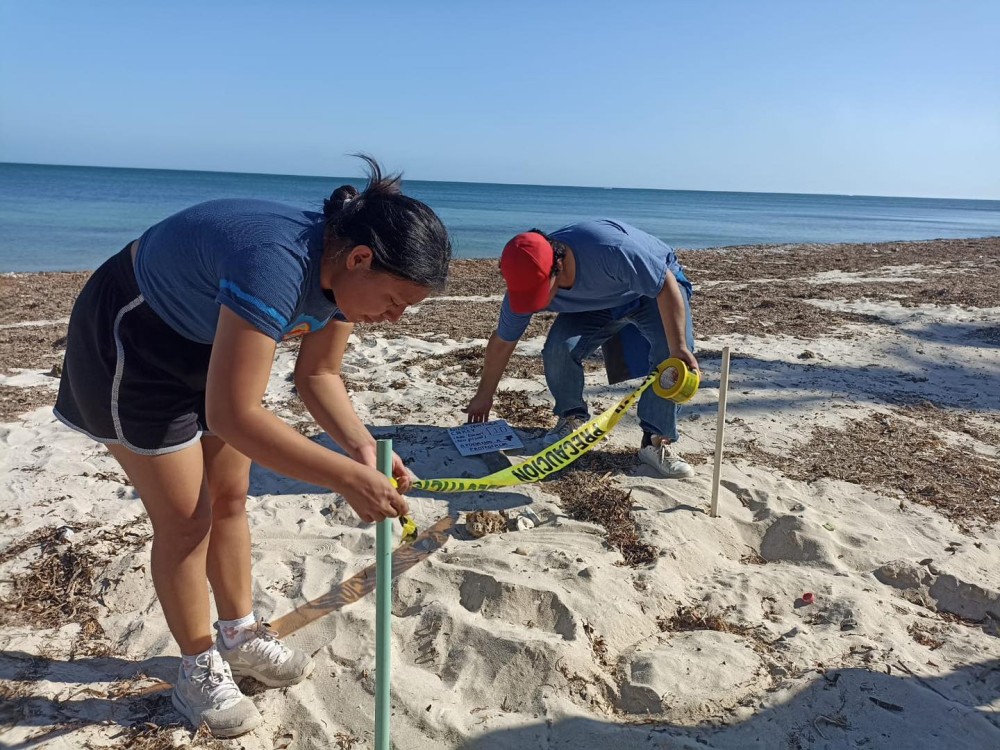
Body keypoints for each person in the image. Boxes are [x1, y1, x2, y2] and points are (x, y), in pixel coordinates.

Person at [53, 156, 451, 738]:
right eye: (394, 301)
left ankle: (238, 635)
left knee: (230, 497)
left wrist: (362, 447)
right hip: (133, 340)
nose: (393, 319)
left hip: (209, 335)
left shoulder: (342, 279)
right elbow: (235, 415)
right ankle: (196, 669)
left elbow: (318, 376)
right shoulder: (276, 263)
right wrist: (343, 477)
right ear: (361, 258)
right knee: (188, 520)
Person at [464, 219, 698, 478]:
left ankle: (655, 441)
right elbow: (503, 342)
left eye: (538, 291)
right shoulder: (522, 286)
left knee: (672, 358)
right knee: (558, 349)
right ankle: (571, 418)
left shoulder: (610, 249)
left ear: (559, 265)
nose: (533, 301)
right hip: (595, 305)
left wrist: (678, 346)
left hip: (651, 292)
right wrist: (484, 395)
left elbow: (664, 283)